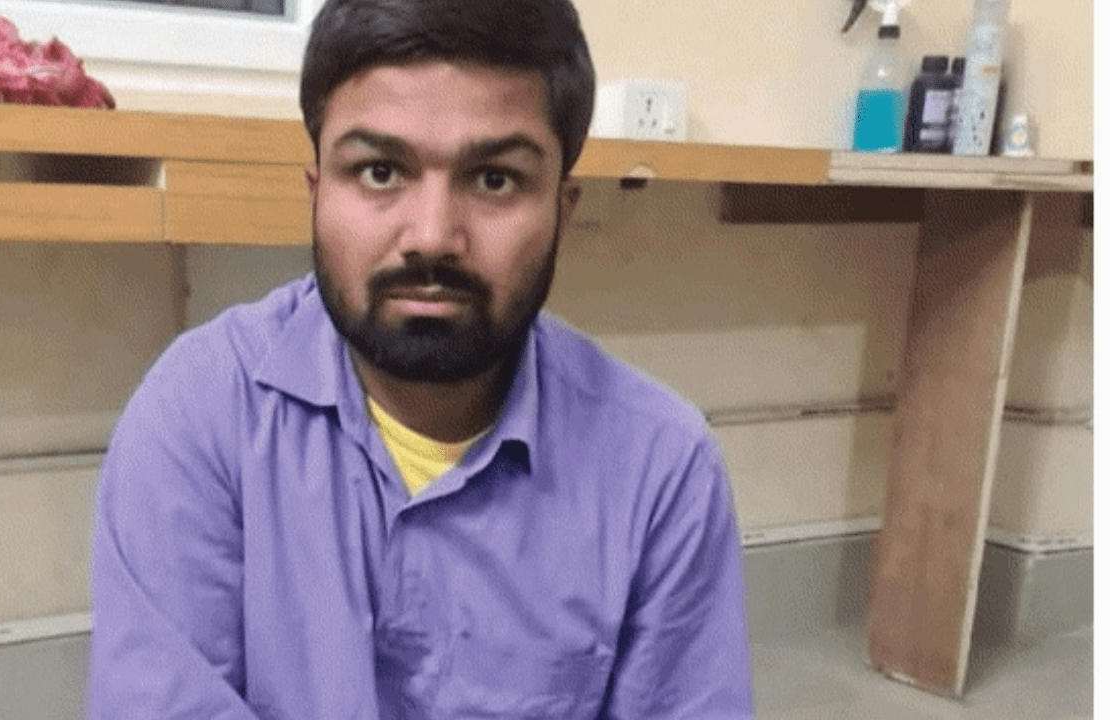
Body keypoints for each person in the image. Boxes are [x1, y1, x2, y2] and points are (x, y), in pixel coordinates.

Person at [88, 0, 754, 717]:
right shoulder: (201, 415)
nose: (432, 236)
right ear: (317, 191)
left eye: (494, 179)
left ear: (562, 209)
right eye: (379, 171)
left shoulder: (661, 470)